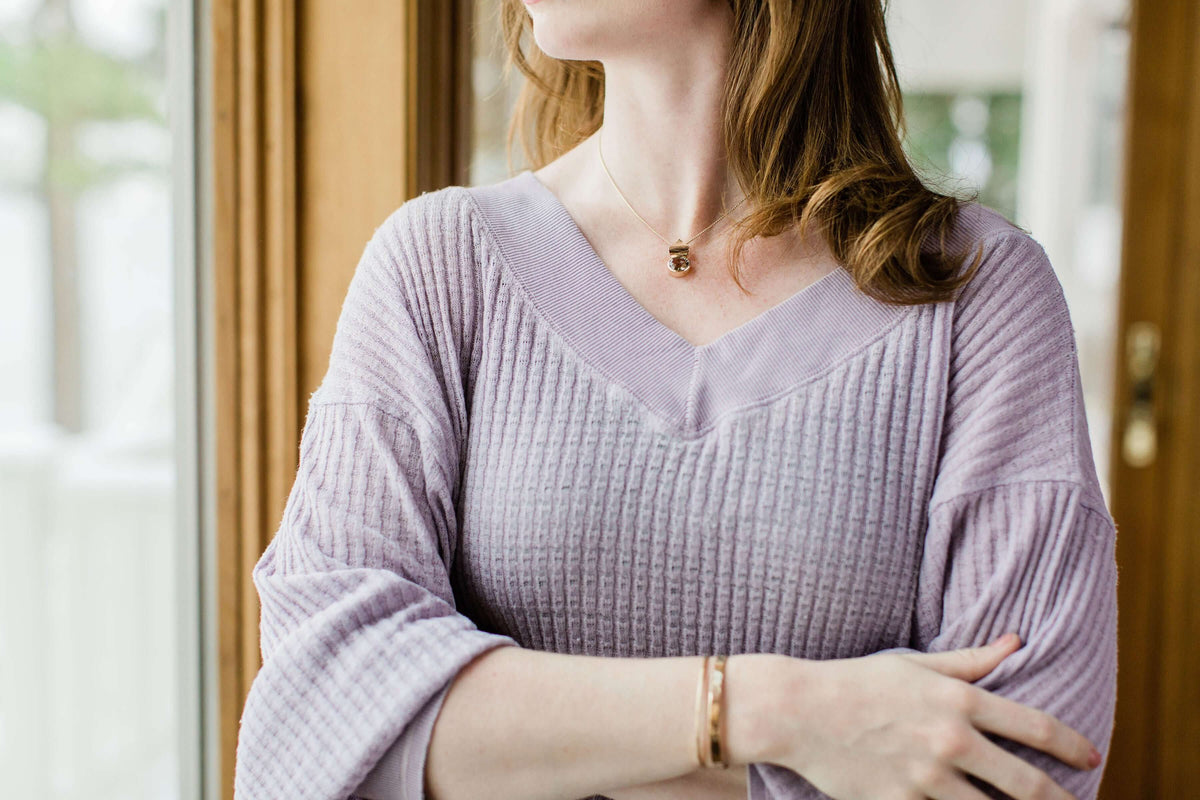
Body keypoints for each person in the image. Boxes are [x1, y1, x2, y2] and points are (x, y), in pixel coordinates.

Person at [232, 1, 1119, 798]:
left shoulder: (977, 297)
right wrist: (779, 713)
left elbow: (1025, 761)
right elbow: (320, 712)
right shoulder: (440, 268)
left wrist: (508, 749)